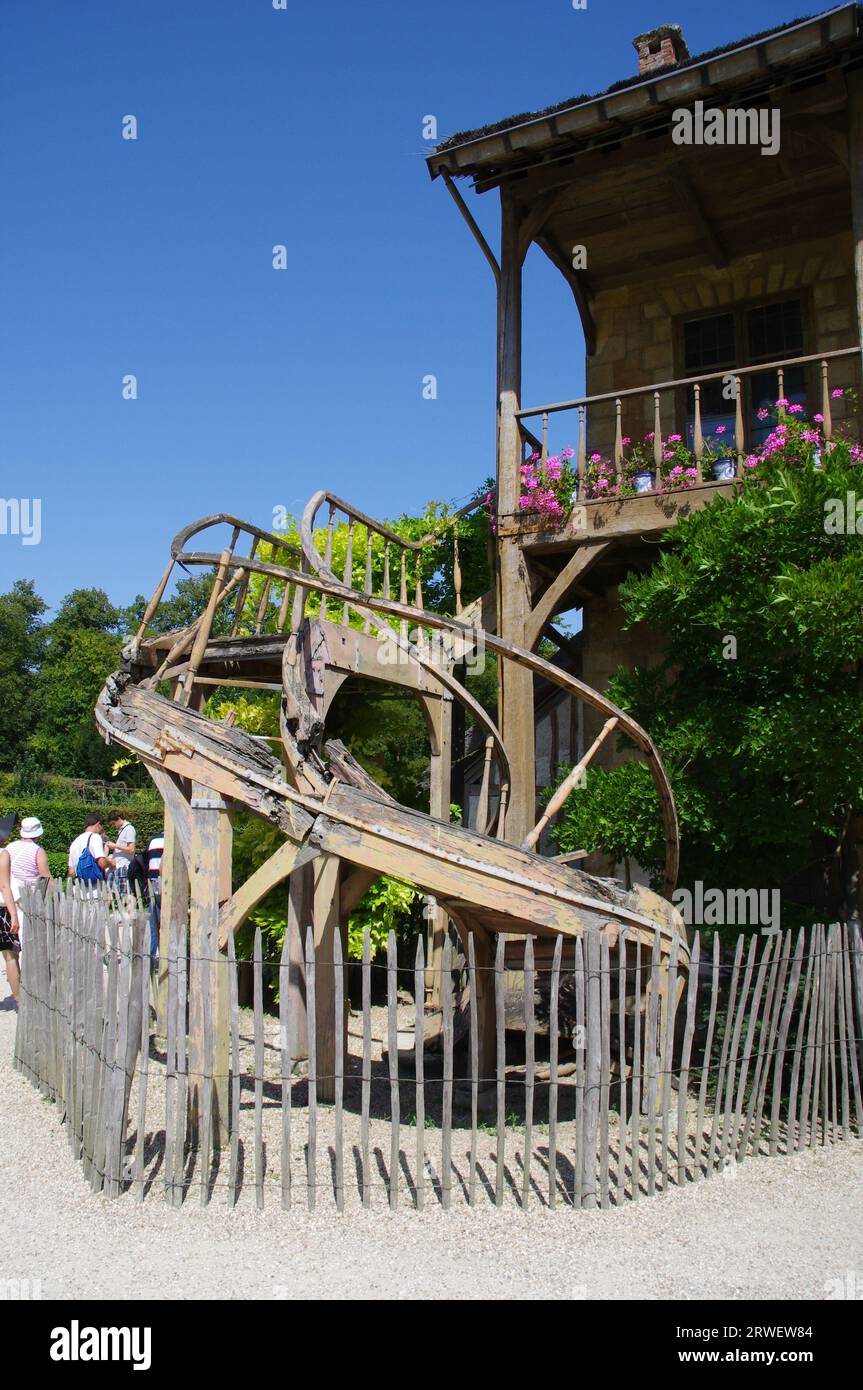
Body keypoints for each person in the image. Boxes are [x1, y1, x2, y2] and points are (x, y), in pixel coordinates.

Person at [0, 813, 22, 1004]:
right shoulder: (3, 854)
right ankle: (19, 1001)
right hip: (1, 910)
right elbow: (5, 886)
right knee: (10, 956)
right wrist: (13, 914)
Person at [68, 813, 110, 887]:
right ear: (98, 824)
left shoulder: (75, 842)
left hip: (79, 889)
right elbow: (102, 863)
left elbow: (71, 872)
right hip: (94, 890)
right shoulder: (95, 837)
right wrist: (111, 862)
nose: (102, 829)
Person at [105, 811, 137, 894]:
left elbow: (131, 849)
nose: (113, 826)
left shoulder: (129, 829)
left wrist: (115, 846)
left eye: (113, 823)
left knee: (123, 895)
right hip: (118, 866)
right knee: (110, 892)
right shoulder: (123, 830)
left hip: (124, 866)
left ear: (118, 819)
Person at [146, 829, 165, 959]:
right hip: (165, 882)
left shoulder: (153, 840)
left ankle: (151, 952)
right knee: (166, 920)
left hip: (153, 882)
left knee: (153, 919)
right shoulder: (170, 840)